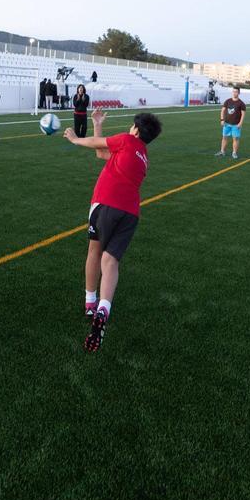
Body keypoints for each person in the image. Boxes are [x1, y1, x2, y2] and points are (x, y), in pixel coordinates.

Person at [63, 108, 163, 352]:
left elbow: (95, 145)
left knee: (94, 252)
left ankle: (89, 303)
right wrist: (97, 123)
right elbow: (102, 154)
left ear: (136, 130)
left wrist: (76, 139)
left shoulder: (128, 140)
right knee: (111, 261)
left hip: (106, 203)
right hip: (130, 214)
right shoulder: (143, 157)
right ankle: (103, 309)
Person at [215, 87, 247, 158]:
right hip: (226, 123)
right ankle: (222, 151)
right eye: (233, 91)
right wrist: (222, 120)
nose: (234, 93)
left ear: (239, 93)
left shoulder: (241, 103)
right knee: (224, 137)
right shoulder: (227, 101)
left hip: (236, 125)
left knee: (235, 138)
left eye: (236, 92)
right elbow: (222, 110)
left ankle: (234, 153)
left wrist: (240, 123)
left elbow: (243, 114)